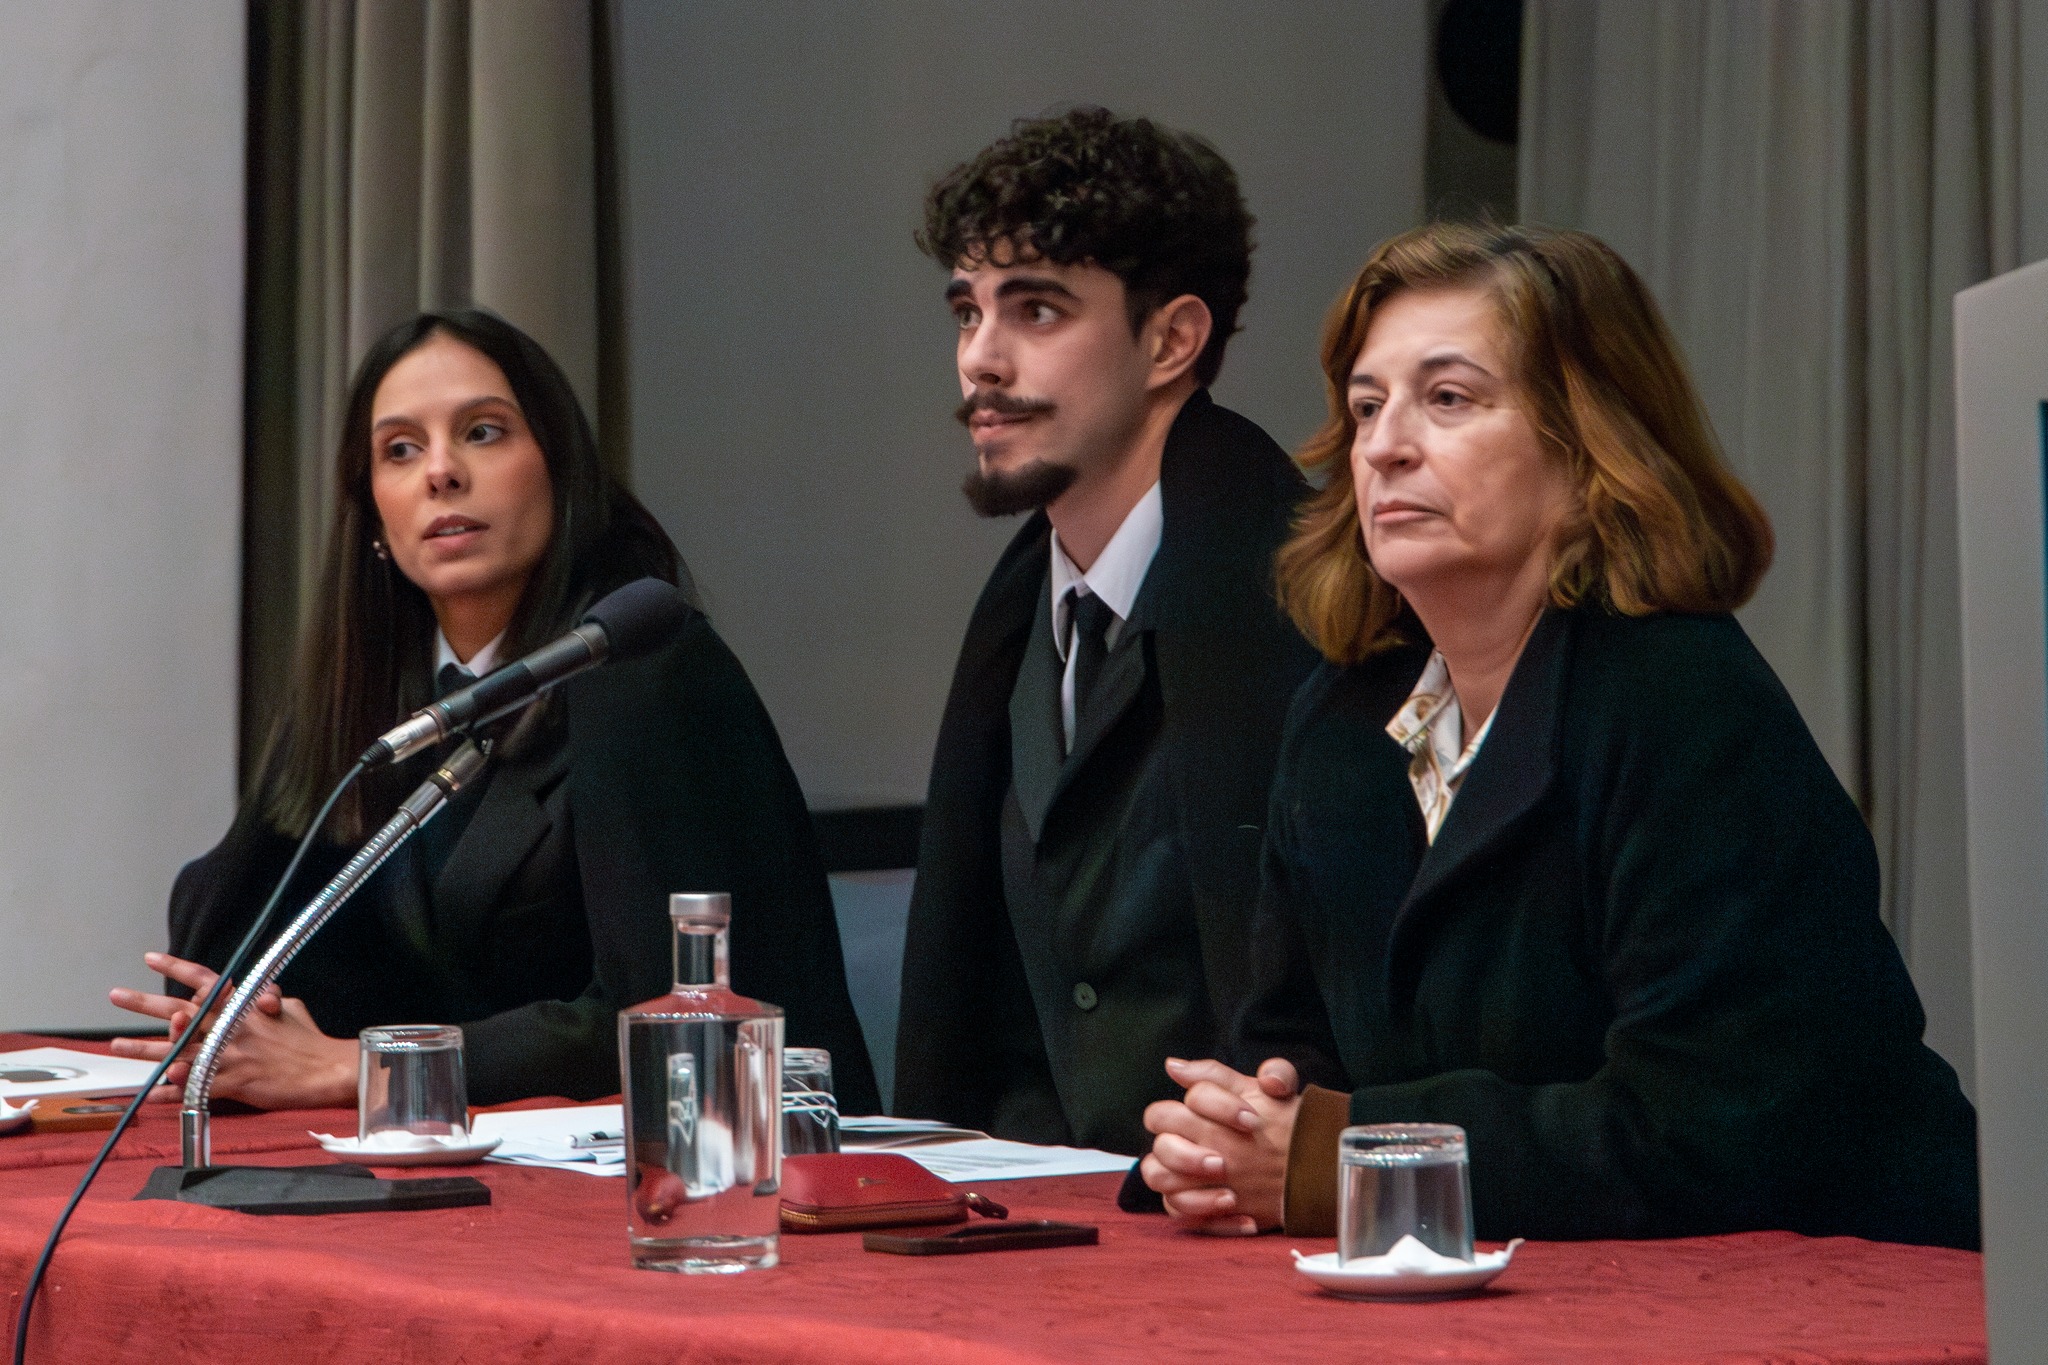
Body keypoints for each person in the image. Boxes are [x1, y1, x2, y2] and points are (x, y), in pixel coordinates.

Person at [1139, 224, 1980, 1248]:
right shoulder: (1341, 718)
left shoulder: (1680, 697)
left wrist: (1336, 1157)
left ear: (1587, 451)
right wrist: (1221, 1144)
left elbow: (1706, 1126)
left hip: (1853, 1291)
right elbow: (1289, 1064)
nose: (1384, 445)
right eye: (1366, 407)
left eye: (1446, 400)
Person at [109, 309, 879, 1114]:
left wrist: (361, 1066)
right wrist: (247, 1019)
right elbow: (236, 932)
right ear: (372, 514)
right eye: (399, 449)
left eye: (482, 432)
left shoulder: (644, 666)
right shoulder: (375, 697)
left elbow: (656, 1012)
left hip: (719, 1171)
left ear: (558, 466)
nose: (440, 471)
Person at [892, 107, 1321, 1157]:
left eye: (1034, 311)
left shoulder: (1308, 594)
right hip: (1035, 1220)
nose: (979, 364)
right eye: (966, 313)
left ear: (1172, 339)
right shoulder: (1017, 609)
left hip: (1250, 1227)